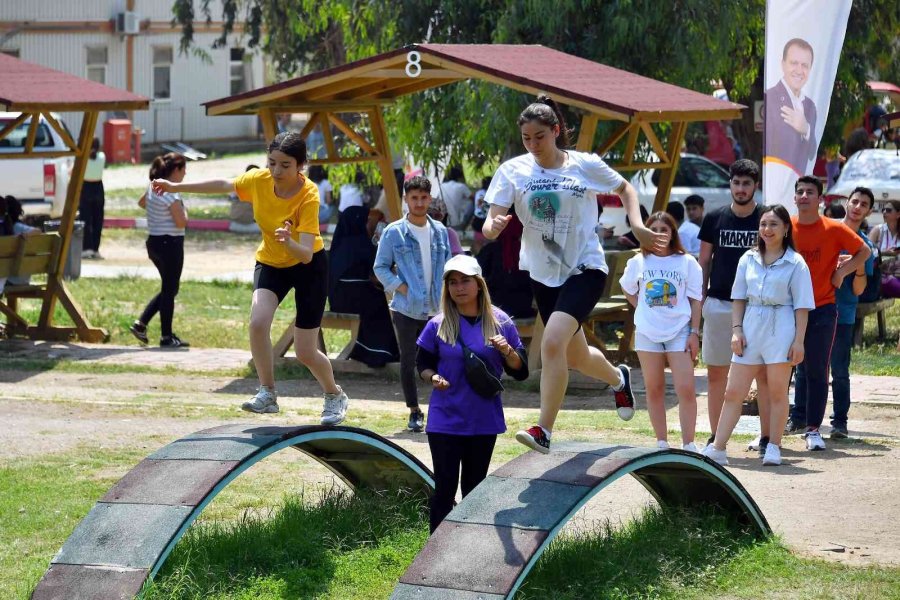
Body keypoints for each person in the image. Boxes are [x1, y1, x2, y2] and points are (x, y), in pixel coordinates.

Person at [482, 95, 661, 454]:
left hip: (585, 267)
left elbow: (624, 188)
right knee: (575, 357)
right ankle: (618, 377)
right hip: (542, 273)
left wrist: (637, 224)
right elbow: (489, 224)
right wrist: (494, 226)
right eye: (527, 139)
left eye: (540, 137)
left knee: (551, 343)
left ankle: (543, 429)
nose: (533, 145)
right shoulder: (513, 171)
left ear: (556, 131)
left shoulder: (583, 165)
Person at [151, 132, 350, 423]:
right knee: (257, 323)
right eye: (272, 163)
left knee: (306, 351)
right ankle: (267, 393)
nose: (277, 171)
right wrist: (175, 185)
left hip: (309, 266)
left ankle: (334, 395)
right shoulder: (259, 180)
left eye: (285, 165)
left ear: (300, 166)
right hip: (270, 262)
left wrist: (288, 242)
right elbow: (224, 184)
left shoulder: (308, 194)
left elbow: (306, 253)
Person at [416, 254, 528, 532]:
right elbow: (421, 364)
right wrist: (434, 377)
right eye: (452, 282)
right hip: (445, 418)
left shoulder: (500, 321)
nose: (458, 288)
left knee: (474, 490)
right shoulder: (438, 324)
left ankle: (467, 547)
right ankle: (435, 552)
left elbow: (521, 371)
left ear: (479, 284)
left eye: (465, 281)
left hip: (482, 419)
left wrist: (507, 351)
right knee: (444, 488)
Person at [703, 205, 814, 466]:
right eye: (763, 224)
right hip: (751, 325)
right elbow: (738, 297)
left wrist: (798, 341)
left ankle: (774, 445)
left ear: (786, 228)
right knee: (734, 391)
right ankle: (718, 447)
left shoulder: (796, 263)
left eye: (774, 224)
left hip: (781, 326)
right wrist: (736, 330)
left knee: (777, 391)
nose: (767, 229)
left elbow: (802, 306)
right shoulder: (748, 258)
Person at [787, 176, 871, 450]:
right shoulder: (786, 225)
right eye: (800, 191)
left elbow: (864, 251)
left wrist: (841, 272)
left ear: (819, 199)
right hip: (787, 309)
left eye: (810, 192)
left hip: (823, 308)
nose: (804, 196)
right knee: (778, 370)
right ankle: (773, 430)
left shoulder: (833, 228)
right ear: (795, 197)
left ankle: (813, 429)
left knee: (817, 370)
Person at [698, 159, 770, 452]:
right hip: (718, 304)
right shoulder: (714, 217)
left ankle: (767, 438)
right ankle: (717, 438)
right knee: (716, 374)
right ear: (730, 184)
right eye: (736, 183)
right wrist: (699, 301)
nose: (741, 189)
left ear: (756, 186)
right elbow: (704, 262)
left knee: (763, 375)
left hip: (758, 308)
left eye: (747, 183)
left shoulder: (767, 218)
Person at [374, 175, 451, 432]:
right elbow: (380, 267)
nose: (419, 203)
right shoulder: (393, 231)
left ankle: (444, 406)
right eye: (414, 198)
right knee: (408, 359)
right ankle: (414, 410)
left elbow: (449, 268)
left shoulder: (440, 231)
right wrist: (402, 287)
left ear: (430, 199)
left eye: (423, 198)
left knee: (443, 358)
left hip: (437, 307)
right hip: (406, 307)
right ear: (406, 200)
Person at [620, 212, 702, 451]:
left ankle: (689, 443)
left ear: (673, 233)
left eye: (664, 229)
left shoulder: (686, 262)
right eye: (653, 229)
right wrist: (642, 307)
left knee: (685, 387)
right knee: (653, 387)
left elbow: (696, 299)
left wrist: (694, 332)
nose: (659, 234)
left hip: (679, 331)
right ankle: (662, 442)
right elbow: (627, 288)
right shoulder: (638, 261)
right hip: (647, 332)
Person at [829, 187, 877, 439]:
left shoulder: (865, 246)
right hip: (815, 310)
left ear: (869, 211)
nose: (857, 207)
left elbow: (859, 289)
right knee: (805, 369)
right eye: (854, 201)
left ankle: (839, 422)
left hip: (843, 313)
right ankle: (800, 417)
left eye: (864, 204)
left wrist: (852, 267)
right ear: (846, 203)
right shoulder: (827, 233)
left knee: (839, 370)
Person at [131, 153, 190, 348]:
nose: (185, 173)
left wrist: (156, 214)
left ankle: (141, 324)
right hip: (170, 244)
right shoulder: (171, 193)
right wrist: (185, 211)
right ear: (175, 170)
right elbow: (181, 221)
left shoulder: (153, 187)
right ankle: (166, 336)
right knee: (169, 290)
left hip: (154, 242)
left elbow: (142, 203)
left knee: (169, 289)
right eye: (183, 169)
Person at [765, 38, 818, 176]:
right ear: (783, 64)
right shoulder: (769, 99)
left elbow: (812, 153)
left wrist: (805, 129)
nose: (799, 70)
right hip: (775, 186)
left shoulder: (810, 106)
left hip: (800, 188)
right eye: (794, 63)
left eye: (805, 65)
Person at [0, 195, 39, 293]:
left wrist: (24, 235)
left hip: (11, 278)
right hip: (23, 277)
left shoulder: (14, 228)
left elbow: (38, 230)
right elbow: (38, 231)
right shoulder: (16, 228)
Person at [79, 137, 106, 259]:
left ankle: (86, 248)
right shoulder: (102, 156)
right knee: (98, 220)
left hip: (86, 187)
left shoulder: (83, 158)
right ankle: (96, 249)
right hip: (98, 188)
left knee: (85, 219)